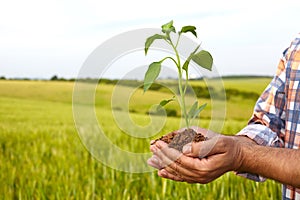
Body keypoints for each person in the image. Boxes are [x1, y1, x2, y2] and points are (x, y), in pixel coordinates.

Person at [148, 33, 300, 200]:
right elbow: (269, 123)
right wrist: (228, 144)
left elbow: (243, 153)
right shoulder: (295, 47)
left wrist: (241, 155)